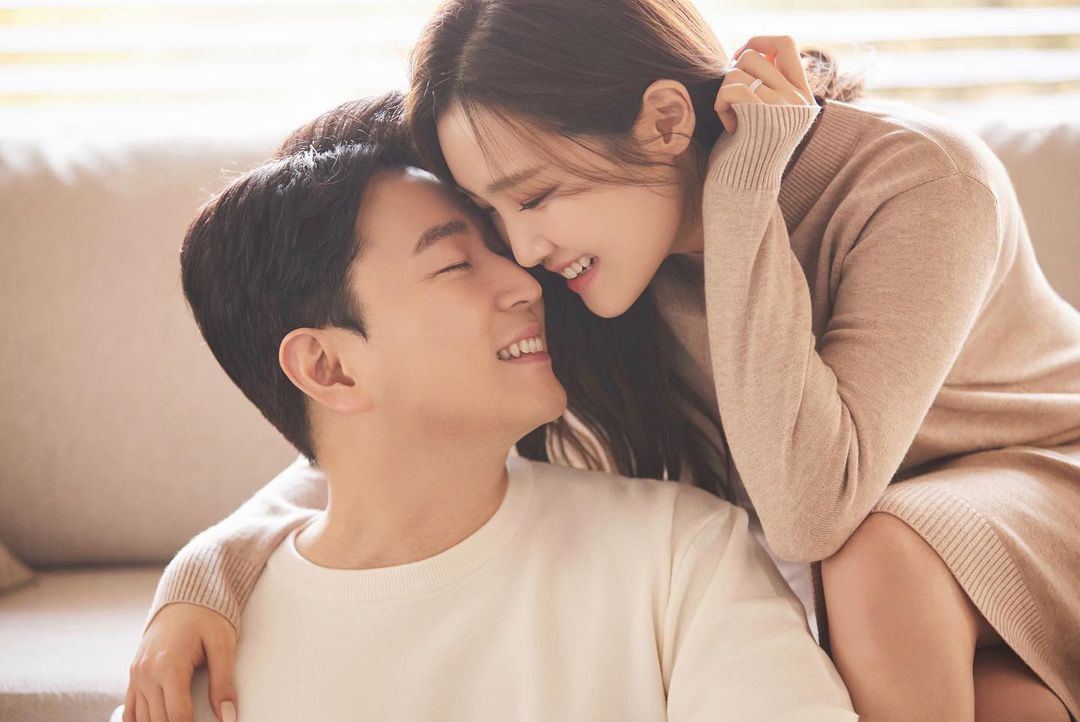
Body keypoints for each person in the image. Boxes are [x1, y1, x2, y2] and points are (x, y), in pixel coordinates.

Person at [128, 0, 1080, 719]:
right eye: (489, 216)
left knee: (882, 557)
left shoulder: (920, 180)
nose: (521, 252)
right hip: (885, 575)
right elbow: (376, 437)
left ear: (667, 122)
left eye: (535, 197)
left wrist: (744, 192)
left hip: (1030, 480)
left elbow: (810, 511)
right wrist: (207, 571)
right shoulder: (604, 254)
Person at [120, 92, 856, 722]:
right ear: (329, 368)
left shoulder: (681, 554)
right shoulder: (203, 658)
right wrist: (204, 575)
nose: (528, 281)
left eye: (498, 246)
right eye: (455, 264)